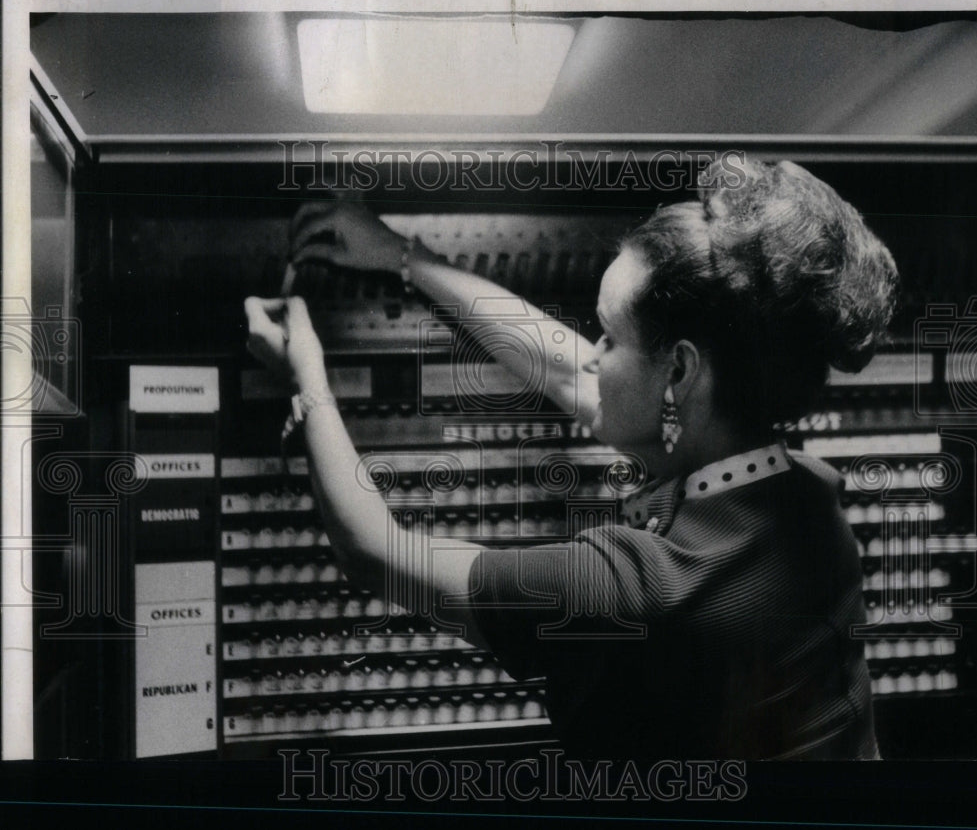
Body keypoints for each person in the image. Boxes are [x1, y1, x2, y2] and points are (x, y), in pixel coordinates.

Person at [244, 157, 897, 760]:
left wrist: (309, 377)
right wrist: (402, 257)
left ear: (681, 372)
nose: (591, 354)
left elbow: (375, 549)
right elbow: (575, 375)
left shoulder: (632, 591)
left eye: (608, 337)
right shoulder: (811, 498)